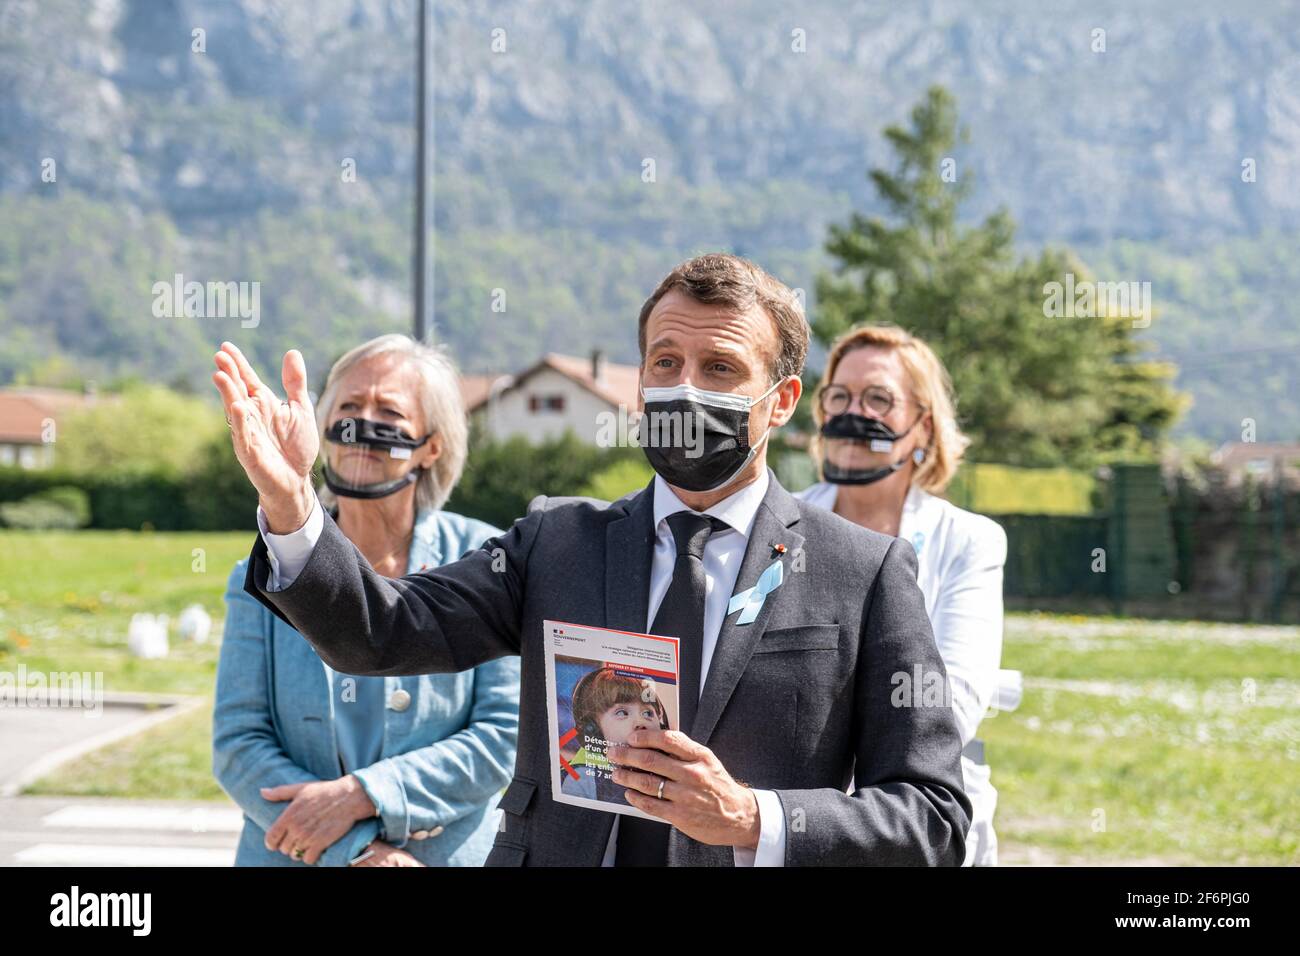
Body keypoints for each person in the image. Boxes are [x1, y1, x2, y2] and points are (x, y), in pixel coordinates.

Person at [213, 252, 972, 866]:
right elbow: (378, 633)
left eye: (719, 370)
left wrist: (752, 819)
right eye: (665, 362)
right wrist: (290, 505)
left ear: (779, 402)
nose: (683, 388)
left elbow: (932, 818)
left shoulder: (865, 574)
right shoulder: (556, 542)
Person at [212, 334, 521, 866]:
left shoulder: (488, 561)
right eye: (349, 406)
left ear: (432, 445)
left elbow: (503, 736)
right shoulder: (266, 571)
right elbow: (239, 744)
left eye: (389, 410)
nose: (362, 424)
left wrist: (366, 794)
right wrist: (360, 851)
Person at [794, 323, 1007, 866]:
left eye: (878, 399)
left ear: (923, 425)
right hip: (790, 821)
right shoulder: (778, 525)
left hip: (916, 822)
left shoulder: (969, 543)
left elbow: (952, 706)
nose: (852, 413)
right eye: (838, 396)